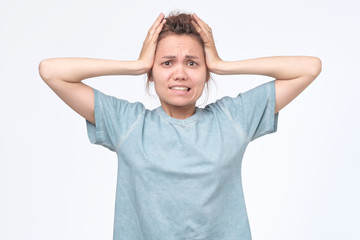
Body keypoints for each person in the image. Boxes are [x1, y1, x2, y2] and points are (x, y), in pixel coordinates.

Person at [39, 12, 321, 240]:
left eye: (192, 63)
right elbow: (51, 72)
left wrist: (223, 64)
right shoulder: (127, 123)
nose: (180, 73)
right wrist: (136, 64)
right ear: (152, 73)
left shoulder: (232, 118)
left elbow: (309, 68)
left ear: (206, 73)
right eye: (166, 62)